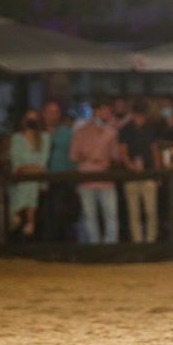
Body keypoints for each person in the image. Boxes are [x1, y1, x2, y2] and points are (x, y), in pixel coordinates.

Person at [70, 100, 120, 244]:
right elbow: (73, 156)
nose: (107, 114)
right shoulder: (80, 132)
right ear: (96, 111)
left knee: (110, 215)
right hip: (87, 179)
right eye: (104, 110)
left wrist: (105, 162)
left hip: (105, 179)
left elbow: (115, 157)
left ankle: (110, 247)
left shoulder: (111, 133)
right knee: (90, 216)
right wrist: (89, 159)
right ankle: (95, 247)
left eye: (109, 111)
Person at [118, 100, 161, 243]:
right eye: (138, 115)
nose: (141, 118)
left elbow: (155, 151)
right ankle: (137, 241)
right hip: (131, 175)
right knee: (134, 212)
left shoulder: (151, 128)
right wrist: (131, 166)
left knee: (151, 211)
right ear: (133, 114)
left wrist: (157, 172)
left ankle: (151, 240)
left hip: (148, 174)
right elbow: (123, 152)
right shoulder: (125, 130)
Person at [7, 110, 50, 239]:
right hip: (20, 179)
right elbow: (17, 165)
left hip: (38, 180)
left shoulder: (45, 138)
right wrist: (30, 169)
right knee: (28, 183)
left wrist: (29, 169)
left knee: (31, 182)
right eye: (29, 119)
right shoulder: (16, 138)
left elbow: (42, 164)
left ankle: (17, 215)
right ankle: (30, 223)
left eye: (34, 119)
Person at [40, 100, 78, 242]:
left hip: (63, 180)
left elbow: (74, 156)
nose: (53, 116)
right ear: (43, 114)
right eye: (50, 112)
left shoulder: (68, 134)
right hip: (40, 181)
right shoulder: (37, 134)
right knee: (45, 214)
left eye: (56, 112)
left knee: (62, 214)